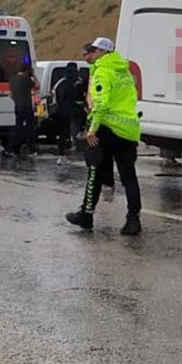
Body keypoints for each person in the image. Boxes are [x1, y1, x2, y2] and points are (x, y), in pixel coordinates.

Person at [66, 37, 143, 236]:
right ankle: (133, 219)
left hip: (107, 128)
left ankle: (86, 214)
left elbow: (101, 104)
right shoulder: (124, 71)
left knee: (94, 169)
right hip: (128, 130)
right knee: (129, 177)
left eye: (92, 50)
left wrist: (92, 130)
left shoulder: (103, 71)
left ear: (102, 52)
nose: (88, 55)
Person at [5, 63, 40, 156]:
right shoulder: (26, 79)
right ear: (27, 70)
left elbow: (11, 95)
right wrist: (33, 75)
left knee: (18, 127)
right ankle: (31, 149)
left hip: (18, 106)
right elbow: (37, 86)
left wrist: (17, 100)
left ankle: (11, 148)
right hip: (27, 106)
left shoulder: (12, 79)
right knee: (30, 127)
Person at [51, 63, 84, 156]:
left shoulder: (60, 83)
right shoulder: (70, 86)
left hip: (59, 111)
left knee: (62, 134)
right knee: (67, 132)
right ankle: (67, 151)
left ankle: (61, 153)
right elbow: (73, 99)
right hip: (67, 112)